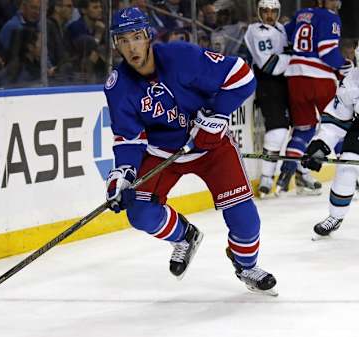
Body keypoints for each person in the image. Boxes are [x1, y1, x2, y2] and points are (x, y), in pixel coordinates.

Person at [103, 7, 277, 295]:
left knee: (245, 220)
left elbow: (243, 77)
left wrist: (216, 116)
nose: (131, 47)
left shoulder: (181, 56)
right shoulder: (118, 86)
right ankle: (185, 237)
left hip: (212, 147)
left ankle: (246, 266)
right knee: (140, 214)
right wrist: (123, 172)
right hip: (163, 154)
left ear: (148, 36)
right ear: (115, 44)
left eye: (136, 37)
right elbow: (128, 138)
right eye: (123, 40)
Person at [276, 0, 352, 194]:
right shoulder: (331, 17)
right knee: (339, 125)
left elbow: (286, 32)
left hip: (295, 77)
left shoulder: (302, 13)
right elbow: (327, 51)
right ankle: (354, 178)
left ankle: (286, 176)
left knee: (303, 129)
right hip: (319, 78)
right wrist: (344, 66)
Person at [301, 68, 359, 239]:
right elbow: (337, 117)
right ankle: (336, 216)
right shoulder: (353, 79)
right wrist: (321, 145)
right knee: (347, 166)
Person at [243, 0, 290, 198]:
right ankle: (266, 178)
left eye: (273, 11)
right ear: (259, 12)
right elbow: (269, 64)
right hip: (268, 84)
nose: (269, 15)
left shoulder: (281, 28)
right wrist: (292, 55)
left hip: (284, 83)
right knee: (278, 129)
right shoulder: (256, 31)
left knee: (300, 128)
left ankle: (301, 173)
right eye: (265, 11)